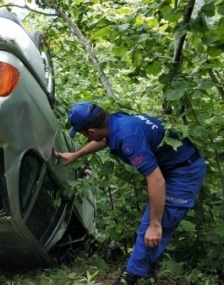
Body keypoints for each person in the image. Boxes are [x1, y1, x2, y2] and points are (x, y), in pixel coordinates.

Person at [56, 102, 206, 285]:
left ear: (91, 132)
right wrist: (77, 154)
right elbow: (104, 140)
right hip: (171, 166)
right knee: (150, 226)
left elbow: (156, 181)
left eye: (81, 132)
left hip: (184, 172)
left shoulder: (128, 138)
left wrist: (155, 224)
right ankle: (146, 274)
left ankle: (130, 278)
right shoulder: (116, 121)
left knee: (152, 228)